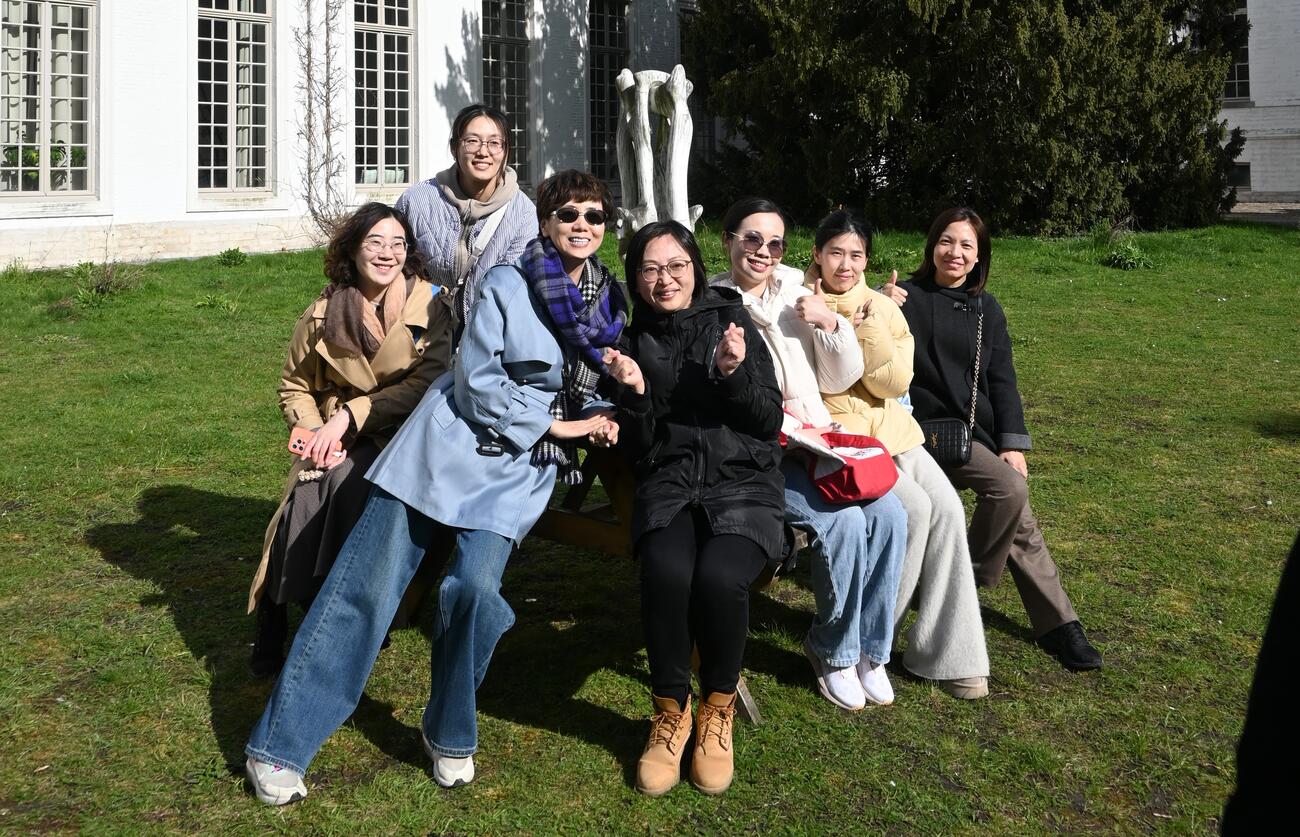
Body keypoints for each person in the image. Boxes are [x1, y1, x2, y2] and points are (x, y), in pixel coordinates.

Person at [243, 170, 626, 806]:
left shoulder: (608, 302)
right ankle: (280, 744)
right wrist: (560, 423)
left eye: (594, 215)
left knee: (475, 590)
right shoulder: (509, 282)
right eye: (567, 215)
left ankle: (448, 727)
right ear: (546, 223)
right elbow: (474, 381)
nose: (581, 226)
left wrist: (621, 387)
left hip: (519, 468)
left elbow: (601, 378)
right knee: (363, 591)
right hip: (447, 445)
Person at [603, 221, 784, 797]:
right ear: (636, 278)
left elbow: (768, 420)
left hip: (742, 482)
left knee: (721, 576)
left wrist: (732, 374)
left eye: (676, 266)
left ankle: (717, 710)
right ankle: (669, 712)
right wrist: (634, 395)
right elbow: (636, 449)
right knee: (667, 570)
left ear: (696, 268)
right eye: (651, 269)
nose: (665, 280)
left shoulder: (731, 324)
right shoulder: (635, 342)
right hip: (672, 483)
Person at [711, 198, 908, 712]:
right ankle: (833, 649)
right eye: (750, 239)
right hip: (762, 456)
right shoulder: (711, 302)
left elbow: (838, 378)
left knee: (890, 515)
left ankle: (871, 649)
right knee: (841, 523)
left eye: (774, 243)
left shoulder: (796, 291)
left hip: (817, 441)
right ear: (728, 237)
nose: (762, 251)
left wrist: (829, 325)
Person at [246, 202, 453, 678]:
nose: (387, 253)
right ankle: (279, 612)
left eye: (398, 243)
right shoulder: (323, 313)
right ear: (353, 250)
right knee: (307, 490)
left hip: (403, 432)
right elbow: (294, 385)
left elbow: (429, 382)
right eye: (375, 242)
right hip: (333, 431)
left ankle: (340, 615)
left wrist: (351, 418)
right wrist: (315, 429)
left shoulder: (432, 305)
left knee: (351, 487)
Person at [890, 207, 1102, 671]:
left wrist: (1011, 442)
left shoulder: (988, 308)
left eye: (967, 245)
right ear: (932, 246)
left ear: (979, 255)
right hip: (913, 436)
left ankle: (1053, 622)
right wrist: (879, 304)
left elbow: (1003, 379)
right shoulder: (904, 296)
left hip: (971, 436)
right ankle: (1047, 619)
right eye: (947, 241)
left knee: (1014, 506)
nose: (955, 253)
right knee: (1013, 497)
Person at [806, 210, 990, 699]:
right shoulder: (800, 305)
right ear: (817, 255)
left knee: (948, 508)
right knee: (913, 509)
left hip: (894, 430)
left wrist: (867, 323)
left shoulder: (882, 306)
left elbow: (893, 381)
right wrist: (844, 326)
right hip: (847, 439)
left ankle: (948, 654)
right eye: (836, 253)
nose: (846, 265)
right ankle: (867, 645)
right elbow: (836, 382)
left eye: (857, 255)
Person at [396, 103, 537, 327]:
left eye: (494, 143)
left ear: (506, 151)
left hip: (489, 335)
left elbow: (517, 289)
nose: (483, 152)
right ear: (455, 148)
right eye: (472, 141)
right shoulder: (417, 201)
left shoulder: (522, 213)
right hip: (423, 331)